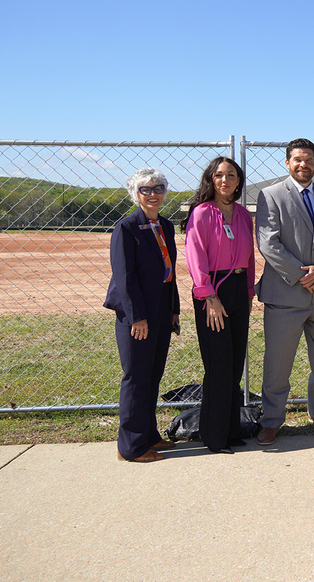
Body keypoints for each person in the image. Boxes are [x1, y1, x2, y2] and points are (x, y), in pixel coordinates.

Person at [255, 138, 314, 445]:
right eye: (297, 159)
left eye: (308, 159)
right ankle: (271, 419)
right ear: (287, 162)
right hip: (285, 294)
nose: (303, 164)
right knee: (278, 361)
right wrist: (302, 275)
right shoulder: (270, 195)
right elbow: (269, 242)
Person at [104, 168, 180, 462]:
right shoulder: (126, 227)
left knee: (152, 375)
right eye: (146, 189)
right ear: (135, 194)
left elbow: (170, 273)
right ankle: (131, 448)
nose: (153, 194)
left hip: (161, 309)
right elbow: (124, 278)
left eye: (158, 188)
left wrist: (173, 309)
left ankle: (149, 436)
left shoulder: (165, 225)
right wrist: (137, 317)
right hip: (136, 315)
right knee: (136, 378)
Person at [181, 157, 256, 454]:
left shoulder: (242, 214)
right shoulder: (201, 213)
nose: (225, 180)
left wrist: (248, 292)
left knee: (236, 363)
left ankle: (230, 430)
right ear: (211, 179)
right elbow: (195, 255)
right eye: (220, 175)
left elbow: (248, 255)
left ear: (239, 181)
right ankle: (214, 436)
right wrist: (208, 296)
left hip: (238, 288)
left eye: (231, 175)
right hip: (214, 291)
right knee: (219, 365)